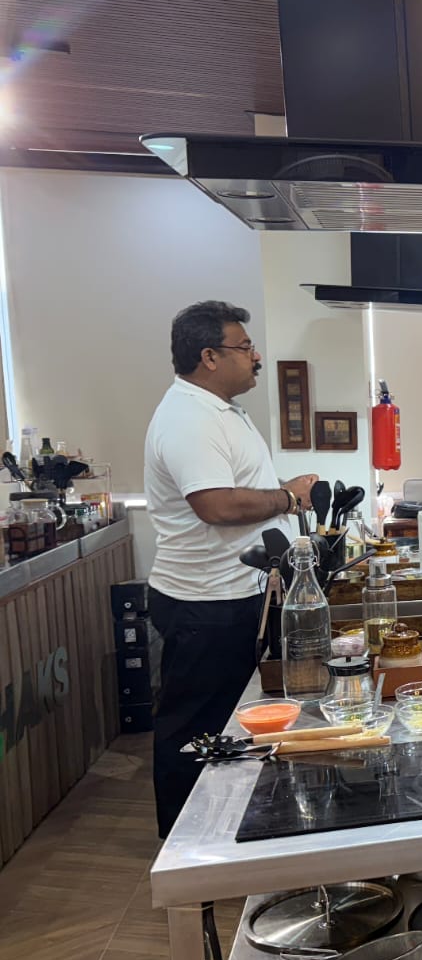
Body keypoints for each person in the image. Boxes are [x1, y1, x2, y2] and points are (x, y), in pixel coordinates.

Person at [143, 301, 317, 837]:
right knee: (196, 729)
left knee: (230, 721)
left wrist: (283, 496)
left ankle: (224, 831)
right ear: (210, 356)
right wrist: (288, 498)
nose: (256, 356)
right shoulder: (189, 418)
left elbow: (234, 489)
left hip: (233, 595)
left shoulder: (218, 410)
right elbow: (216, 505)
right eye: (245, 347)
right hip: (205, 603)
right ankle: (186, 848)